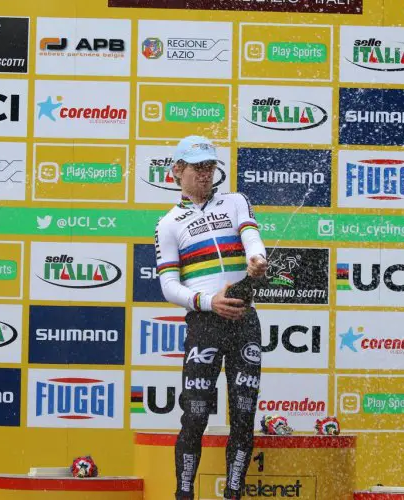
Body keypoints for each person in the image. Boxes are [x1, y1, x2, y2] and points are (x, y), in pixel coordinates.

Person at [155, 136, 268, 500]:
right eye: (196, 168)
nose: (204, 175)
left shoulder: (235, 201)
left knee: (243, 416)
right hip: (204, 323)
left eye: (209, 167)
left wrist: (257, 258)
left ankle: (234, 493)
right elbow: (169, 286)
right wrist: (206, 301)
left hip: (243, 321)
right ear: (177, 171)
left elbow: (250, 235)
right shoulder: (168, 224)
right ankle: (184, 494)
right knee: (195, 418)